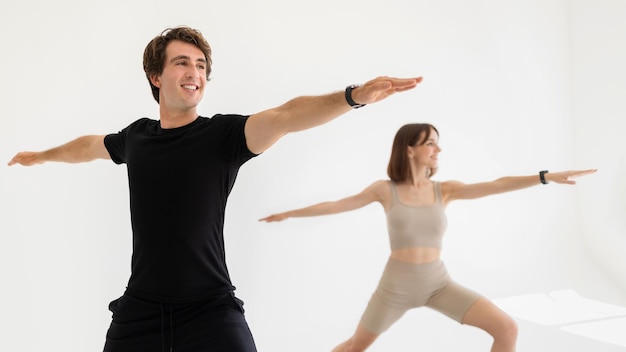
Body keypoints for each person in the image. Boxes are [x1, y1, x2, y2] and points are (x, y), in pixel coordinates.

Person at [7, 26, 422, 352]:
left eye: (202, 65)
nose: (195, 73)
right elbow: (88, 147)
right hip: (141, 310)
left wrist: (353, 97)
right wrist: (42, 155)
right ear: (156, 75)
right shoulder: (136, 138)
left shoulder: (222, 136)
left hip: (210, 310)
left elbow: (286, 115)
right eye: (183, 63)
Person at [259, 123, 597, 352]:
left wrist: (545, 177)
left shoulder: (444, 190)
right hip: (395, 287)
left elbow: (496, 184)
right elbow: (337, 205)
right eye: (430, 142)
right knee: (354, 348)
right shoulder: (385, 190)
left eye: (437, 142)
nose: (438, 149)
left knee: (506, 329)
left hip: (439, 284)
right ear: (409, 149)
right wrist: (291, 213)